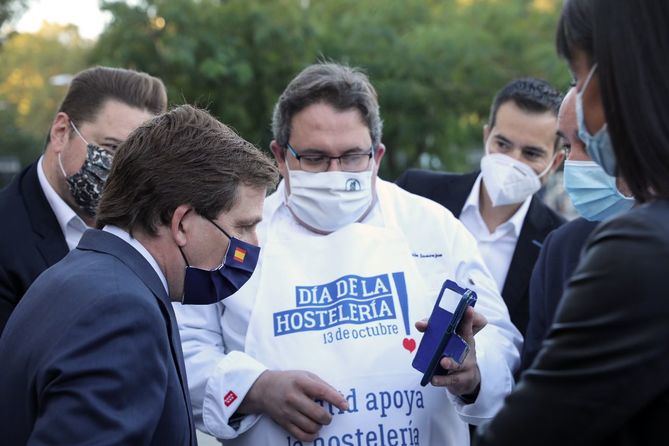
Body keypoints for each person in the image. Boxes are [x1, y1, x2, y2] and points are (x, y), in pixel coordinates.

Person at [175, 62, 522, 445]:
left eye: (353, 156)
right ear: (279, 156)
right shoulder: (234, 235)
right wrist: (255, 388)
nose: (335, 172)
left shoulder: (433, 226)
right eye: (315, 158)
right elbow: (184, 349)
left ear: (377, 155)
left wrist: (473, 372)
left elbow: (499, 340)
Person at [0, 105, 279, 445]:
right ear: (181, 223)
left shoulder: (77, 278)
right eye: (245, 226)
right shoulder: (122, 312)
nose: (253, 244)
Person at [478, 0, 669, 444]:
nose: (577, 102)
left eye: (580, 78)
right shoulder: (578, 246)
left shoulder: (641, 250)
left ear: (616, 81)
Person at [0, 66, 167, 335]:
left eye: (136, 157)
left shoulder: (146, 228)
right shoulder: (6, 236)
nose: (122, 169)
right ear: (61, 131)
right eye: (111, 148)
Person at [396, 78, 565, 335]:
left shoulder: (560, 244)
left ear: (555, 162)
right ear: (487, 136)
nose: (511, 161)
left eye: (531, 153)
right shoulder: (417, 192)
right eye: (503, 144)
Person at [520, 86, 634, 370]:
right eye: (568, 146)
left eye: (588, 142)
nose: (574, 162)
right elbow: (537, 375)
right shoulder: (560, 249)